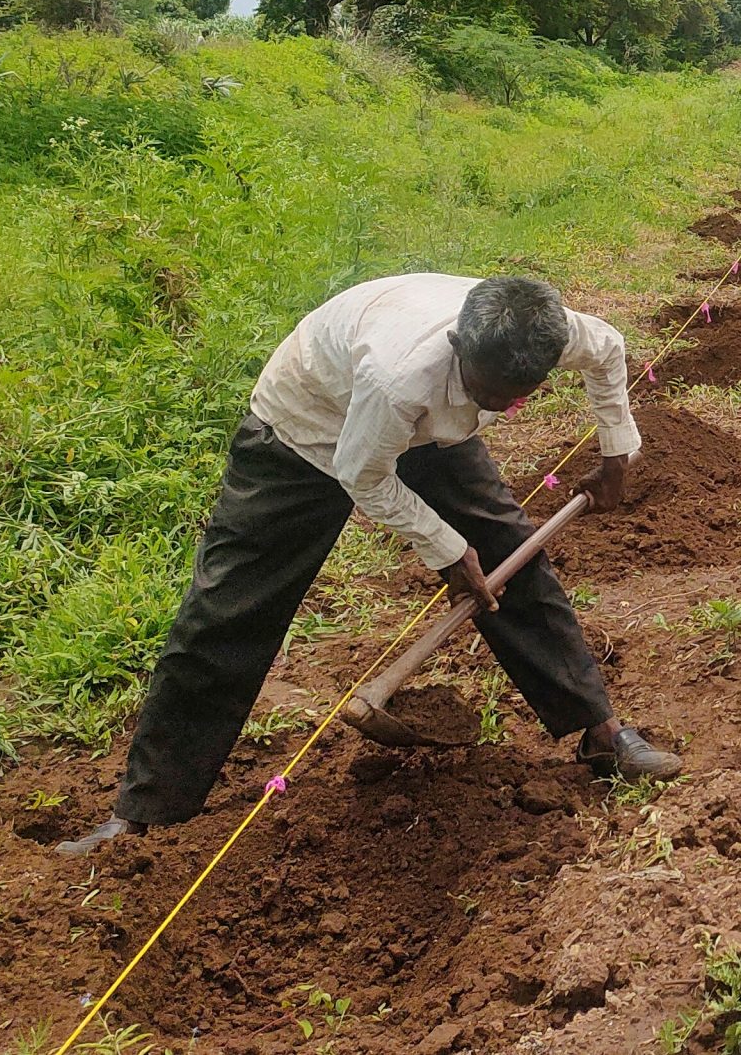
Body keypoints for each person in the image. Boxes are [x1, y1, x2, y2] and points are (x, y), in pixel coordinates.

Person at [57, 274, 680, 858]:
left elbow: (610, 352)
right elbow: (363, 475)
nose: (498, 404)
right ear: (458, 344)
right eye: (485, 391)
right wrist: (443, 547)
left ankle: (602, 734)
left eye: (514, 397)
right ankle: (146, 812)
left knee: (514, 562)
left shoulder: (548, 333)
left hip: (426, 435)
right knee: (228, 612)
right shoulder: (399, 373)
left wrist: (616, 454)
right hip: (305, 432)